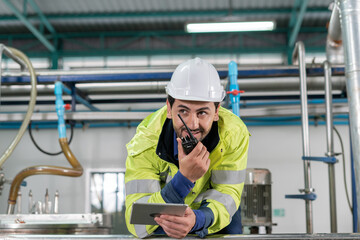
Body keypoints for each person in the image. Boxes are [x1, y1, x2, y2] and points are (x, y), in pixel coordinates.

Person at [125, 57, 249, 238]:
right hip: (163, 224)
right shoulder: (146, 140)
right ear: (169, 108)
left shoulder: (234, 133)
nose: (192, 124)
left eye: (202, 113)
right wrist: (183, 179)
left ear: (216, 112)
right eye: (183, 111)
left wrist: (198, 219)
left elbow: (227, 194)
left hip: (212, 219)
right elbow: (136, 222)